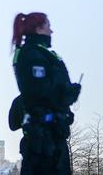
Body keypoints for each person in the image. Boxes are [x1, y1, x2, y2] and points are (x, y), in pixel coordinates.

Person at [12, 12, 80, 175]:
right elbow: (38, 91)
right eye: (48, 26)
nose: (52, 31)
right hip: (42, 137)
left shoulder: (43, 53)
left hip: (54, 133)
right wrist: (65, 93)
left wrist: (65, 107)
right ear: (38, 28)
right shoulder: (32, 54)